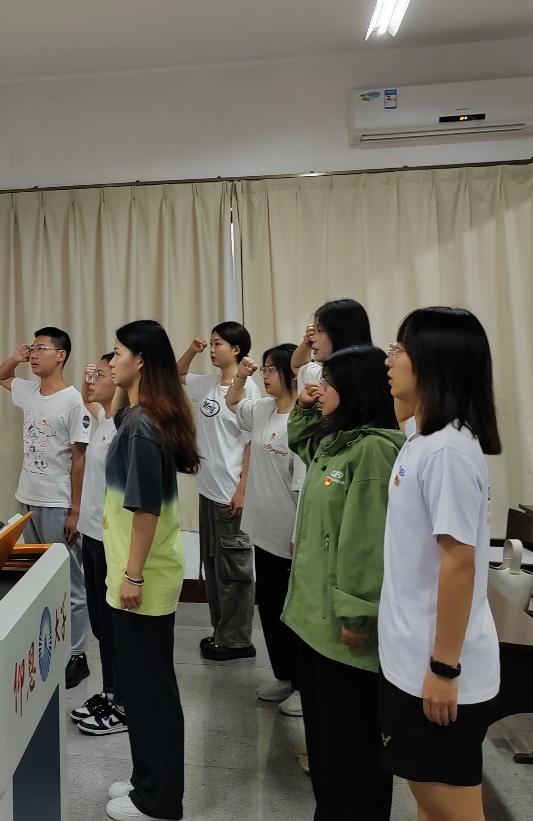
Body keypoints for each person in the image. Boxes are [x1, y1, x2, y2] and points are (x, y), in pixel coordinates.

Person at [380, 308, 503, 821]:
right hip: (411, 658)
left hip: (437, 668)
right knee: (429, 801)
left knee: (452, 808)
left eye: (400, 349)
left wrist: (443, 668)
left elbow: (459, 565)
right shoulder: (422, 437)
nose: (389, 359)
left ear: (435, 363)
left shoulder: (448, 451)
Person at [283, 345, 404, 821]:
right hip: (314, 622)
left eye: (329, 383)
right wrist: (304, 406)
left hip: (343, 630)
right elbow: (301, 442)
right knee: (325, 745)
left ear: (356, 389)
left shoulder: (374, 450)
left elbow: (365, 542)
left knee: (351, 750)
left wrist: (357, 613)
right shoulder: (336, 442)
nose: (320, 389)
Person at [103, 320, 200, 821]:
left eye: (118, 353)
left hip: (143, 574)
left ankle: (159, 801)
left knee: (151, 691)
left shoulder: (143, 427)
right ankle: (147, 779)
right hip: (139, 568)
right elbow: (116, 414)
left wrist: (133, 575)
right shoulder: (141, 415)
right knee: (141, 688)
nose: (110, 361)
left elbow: (146, 510)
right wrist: (120, 386)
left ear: (140, 360)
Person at [0, 327, 92, 688]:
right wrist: (16, 357)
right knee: (37, 578)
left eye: (41, 349)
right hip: (28, 497)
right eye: (32, 349)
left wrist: (76, 510)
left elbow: (79, 459)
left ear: (61, 355)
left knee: (70, 580)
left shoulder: (73, 401)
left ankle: (78, 654)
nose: (34, 355)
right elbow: (2, 376)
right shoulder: (29, 391)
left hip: (57, 502)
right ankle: (49, 644)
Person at [224, 343, 306, 714]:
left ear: (291, 373)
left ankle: (303, 687)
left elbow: (303, 489)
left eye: (272, 369)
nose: (266, 374)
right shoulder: (263, 409)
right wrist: (241, 376)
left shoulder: (301, 420)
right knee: (270, 609)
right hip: (263, 531)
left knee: (292, 614)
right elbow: (232, 402)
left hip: (289, 537)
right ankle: (285, 677)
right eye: (265, 368)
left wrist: (297, 538)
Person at [178, 323, 259, 661]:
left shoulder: (248, 388)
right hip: (208, 489)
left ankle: (238, 641)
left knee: (233, 570)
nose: (212, 350)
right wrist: (192, 350)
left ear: (236, 349)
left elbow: (253, 442)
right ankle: (221, 632)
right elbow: (177, 374)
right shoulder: (209, 384)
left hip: (230, 493)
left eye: (218, 344)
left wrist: (243, 490)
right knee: (212, 566)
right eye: (210, 344)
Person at [71, 353, 127, 735]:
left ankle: (123, 702)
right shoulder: (104, 418)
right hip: (91, 535)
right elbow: (86, 394)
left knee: (113, 626)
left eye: (100, 375)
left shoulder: (124, 425)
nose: (91, 381)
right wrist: (90, 376)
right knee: (100, 625)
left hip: (109, 540)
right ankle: (110, 692)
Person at [291, 298, 374, 389]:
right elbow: (297, 366)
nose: (312, 338)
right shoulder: (322, 376)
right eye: (313, 331)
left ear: (341, 333)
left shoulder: (371, 379)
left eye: (320, 330)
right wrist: (306, 343)